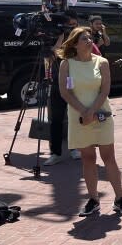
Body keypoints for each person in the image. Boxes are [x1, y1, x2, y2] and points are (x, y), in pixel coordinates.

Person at [57, 27, 122, 216]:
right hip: (79, 117)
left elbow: (105, 90)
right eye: (84, 39)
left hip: (101, 115)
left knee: (109, 158)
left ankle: (120, 199)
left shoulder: (102, 62)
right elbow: (65, 92)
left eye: (90, 38)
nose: (90, 41)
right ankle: (93, 199)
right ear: (75, 43)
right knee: (88, 159)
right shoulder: (67, 64)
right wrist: (84, 111)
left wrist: (92, 110)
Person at [45, 11, 81, 166]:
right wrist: (60, 37)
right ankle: (55, 152)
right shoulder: (56, 36)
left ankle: (75, 148)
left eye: (74, 25)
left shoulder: (82, 37)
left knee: (75, 117)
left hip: (77, 82)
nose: (70, 28)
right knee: (56, 119)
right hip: (58, 82)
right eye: (68, 25)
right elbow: (51, 56)